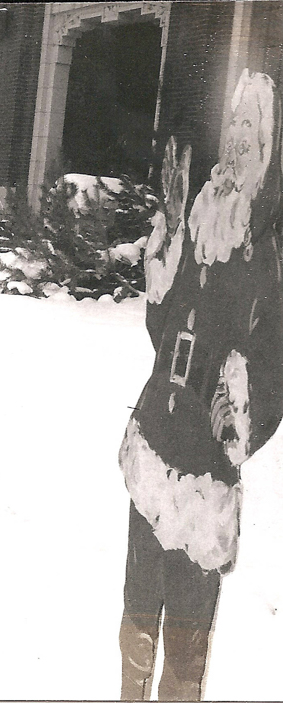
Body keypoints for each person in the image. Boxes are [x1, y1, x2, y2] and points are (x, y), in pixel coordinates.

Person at [117, 69, 283, 701]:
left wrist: (242, 405)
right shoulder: (198, 217)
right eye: (233, 123)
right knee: (137, 615)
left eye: (251, 128)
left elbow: (276, 361)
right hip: (157, 436)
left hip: (206, 467)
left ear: (268, 147)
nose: (237, 138)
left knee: (187, 638)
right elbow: (164, 332)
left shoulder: (270, 250)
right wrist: (163, 264)